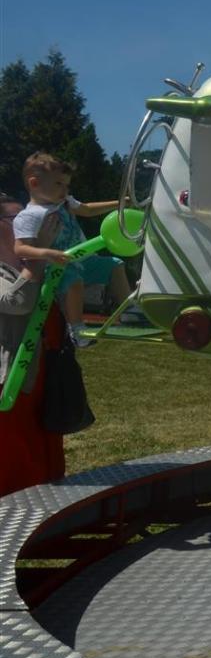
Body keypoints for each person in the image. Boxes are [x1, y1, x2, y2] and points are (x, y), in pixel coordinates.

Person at [12, 153, 129, 347]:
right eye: (59, 184)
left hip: (82, 259)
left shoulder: (65, 202)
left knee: (115, 265)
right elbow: (20, 248)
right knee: (74, 282)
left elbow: (88, 209)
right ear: (34, 183)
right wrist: (46, 253)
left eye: (67, 185)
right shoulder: (29, 216)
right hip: (56, 267)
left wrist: (120, 204)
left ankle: (128, 312)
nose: (65, 190)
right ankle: (77, 329)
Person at [1, 192, 67, 496]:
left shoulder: (33, 267)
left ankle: (46, 507)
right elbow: (18, 301)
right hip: (8, 380)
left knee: (41, 444)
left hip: (39, 375)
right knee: (13, 452)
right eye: (18, 219)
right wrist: (37, 255)